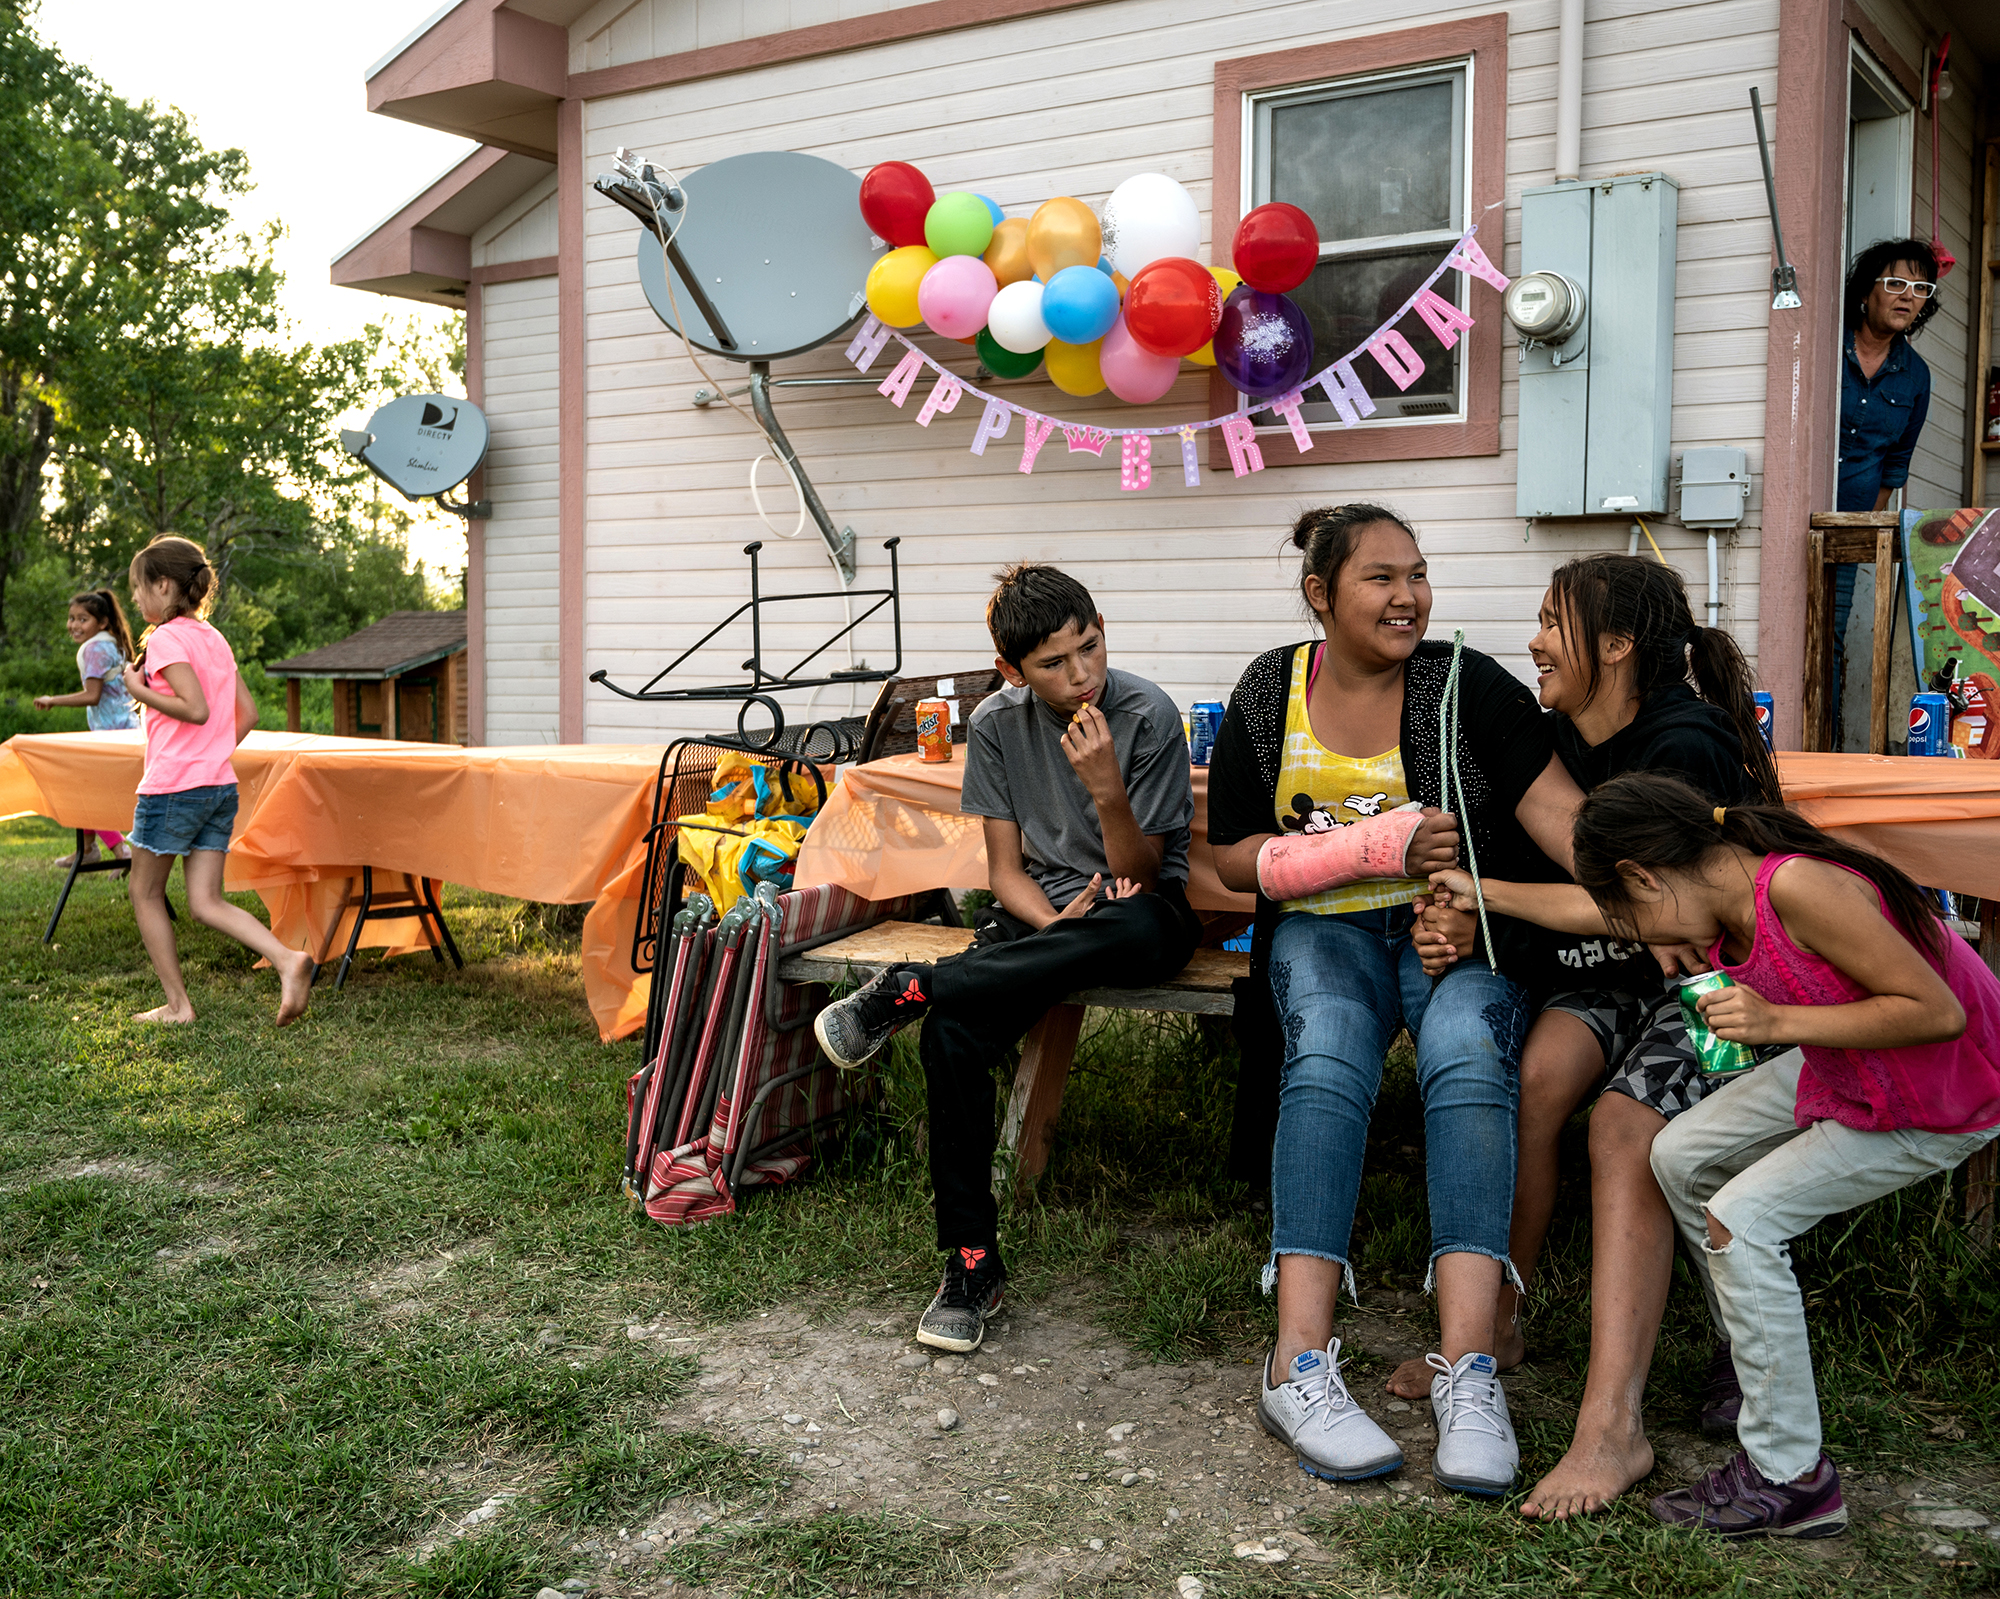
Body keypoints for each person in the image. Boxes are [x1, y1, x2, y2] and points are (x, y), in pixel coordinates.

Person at [1204, 504, 1584, 1497]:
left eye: (1416, 573)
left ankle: (1468, 1368)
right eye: (1379, 577)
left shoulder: (1462, 686)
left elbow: (1560, 824)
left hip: (1450, 932)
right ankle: (1296, 1365)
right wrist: (1363, 848)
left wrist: (1671, 883)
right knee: (1326, 1047)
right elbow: (1229, 857)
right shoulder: (1266, 692)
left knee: (1464, 1045)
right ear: (1319, 594)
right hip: (1323, 935)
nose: (1407, 595)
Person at [1408, 554, 1784, 1519]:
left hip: (1728, 991)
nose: (1532, 641)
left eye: (1551, 622)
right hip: (1613, 984)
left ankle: (1613, 1426)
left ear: (1616, 646)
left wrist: (1479, 896)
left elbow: (1655, 916)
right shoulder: (1550, 742)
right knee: (1535, 1082)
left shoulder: (1684, 742)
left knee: (1621, 1129)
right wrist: (1452, 919)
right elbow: (1531, 891)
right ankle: (1500, 1324)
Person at [1575, 773, 2000, 1538]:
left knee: (1739, 1219)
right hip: (1853, 1065)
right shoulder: (1720, 902)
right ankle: (1757, 1360)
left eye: (1631, 913)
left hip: (1938, 1093)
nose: (1644, 937)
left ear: (1644, 874)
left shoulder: (1798, 886)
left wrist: (1775, 1018)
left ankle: (1790, 1474)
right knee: (1678, 1153)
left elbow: (1938, 1012)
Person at [814, 564, 1201, 1353]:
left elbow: (1146, 871)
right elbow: (1005, 873)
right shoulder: (994, 723)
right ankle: (972, 1263)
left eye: (1089, 647)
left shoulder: (1150, 715)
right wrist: (1057, 924)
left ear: (1100, 625)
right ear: (1011, 671)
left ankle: (915, 985)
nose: (1082, 673)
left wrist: (1105, 787)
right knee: (951, 1037)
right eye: (1055, 664)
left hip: (1138, 914)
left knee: (1132, 924)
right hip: (1044, 917)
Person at [121, 535, 314, 1027]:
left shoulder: (165, 640)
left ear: (164, 586)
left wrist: (138, 688)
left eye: (139, 589)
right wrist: (209, 756)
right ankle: (289, 960)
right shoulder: (213, 637)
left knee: (144, 893)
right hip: (216, 787)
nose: (135, 600)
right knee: (206, 902)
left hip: (173, 789)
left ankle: (179, 1006)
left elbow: (196, 709)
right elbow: (245, 713)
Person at [1831, 239, 1940, 730]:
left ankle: (1823, 742)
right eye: (1895, 283)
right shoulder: (1825, 347)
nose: (1907, 296)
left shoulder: (1915, 377)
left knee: (1830, 634)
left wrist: (1865, 524)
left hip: (1849, 529)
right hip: (1791, 511)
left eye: (1920, 288)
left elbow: (1896, 465)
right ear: (1865, 292)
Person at [34, 588, 141, 868]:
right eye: (71, 618)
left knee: (84, 790)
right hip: (129, 730)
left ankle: (117, 849)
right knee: (86, 786)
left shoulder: (94, 648)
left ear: (102, 622)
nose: (74, 625)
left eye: (83, 619)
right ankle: (91, 847)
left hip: (110, 735)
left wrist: (52, 700)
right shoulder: (114, 643)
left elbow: (92, 695)